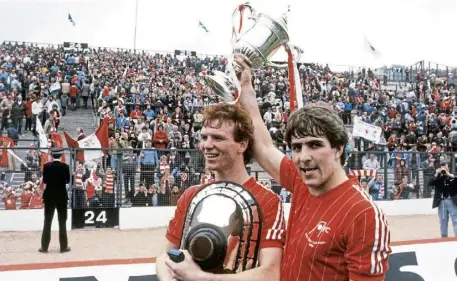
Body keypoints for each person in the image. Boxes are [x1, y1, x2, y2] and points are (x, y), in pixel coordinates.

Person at [236, 57, 391, 281]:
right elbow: (263, 146)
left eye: (315, 145)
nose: (303, 157)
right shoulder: (302, 180)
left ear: (338, 148)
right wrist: (246, 87)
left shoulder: (363, 214)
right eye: (296, 147)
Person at [156, 103, 285, 281]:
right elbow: (164, 256)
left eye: (217, 138)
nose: (206, 145)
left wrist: (199, 277)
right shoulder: (191, 195)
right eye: (204, 137)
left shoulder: (268, 201)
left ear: (242, 145)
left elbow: (270, 273)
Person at [39, 147, 71, 253]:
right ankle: (63, 247)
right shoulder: (65, 166)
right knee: (62, 222)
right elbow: (67, 181)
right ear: (61, 155)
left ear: (52, 155)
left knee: (47, 221)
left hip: (49, 196)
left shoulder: (46, 166)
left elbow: (45, 180)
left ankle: (44, 247)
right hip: (61, 196)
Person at [430, 161, 457, 237]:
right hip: (442, 202)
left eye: (445, 166)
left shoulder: (452, 175)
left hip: (452, 201)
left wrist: (448, 174)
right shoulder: (438, 177)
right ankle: (444, 239)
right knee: (443, 221)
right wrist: (437, 174)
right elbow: (430, 183)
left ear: (448, 167)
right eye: (442, 167)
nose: (444, 168)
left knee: (455, 220)